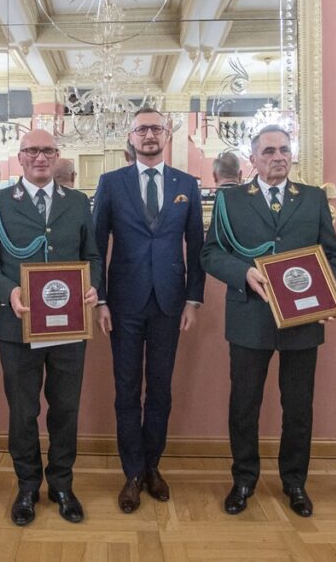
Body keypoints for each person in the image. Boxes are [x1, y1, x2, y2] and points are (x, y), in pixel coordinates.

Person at [200, 124, 336, 519]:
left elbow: (332, 256)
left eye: (283, 150)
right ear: (253, 158)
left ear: (291, 155)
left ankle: (295, 481)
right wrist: (242, 273)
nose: (277, 157)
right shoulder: (230, 201)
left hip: (303, 319)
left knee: (298, 407)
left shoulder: (313, 198)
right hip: (250, 315)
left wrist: (331, 290)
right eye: (268, 151)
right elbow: (211, 254)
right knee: (244, 405)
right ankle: (244, 478)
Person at [0, 129, 102, 527]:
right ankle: (27, 485)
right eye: (32, 151)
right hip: (17, 325)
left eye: (47, 151)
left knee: (65, 409)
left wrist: (93, 284)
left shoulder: (77, 202)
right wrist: (8, 291)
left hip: (70, 327)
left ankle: (62, 484)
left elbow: (91, 254)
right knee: (23, 411)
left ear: (57, 156)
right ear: (21, 157)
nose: (40, 157)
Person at [92, 107, 205, 513]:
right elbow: (95, 245)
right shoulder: (111, 183)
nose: (149, 135)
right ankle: (132, 472)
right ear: (131, 136)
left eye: (156, 128)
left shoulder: (187, 184)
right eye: (142, 129)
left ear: (167, 133)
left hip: (170, 303)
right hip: (123, 304)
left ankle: (153, 466)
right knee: (126, 391)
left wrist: (194, 299)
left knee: (160, 390)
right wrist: (100, 299)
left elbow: (197, 247)